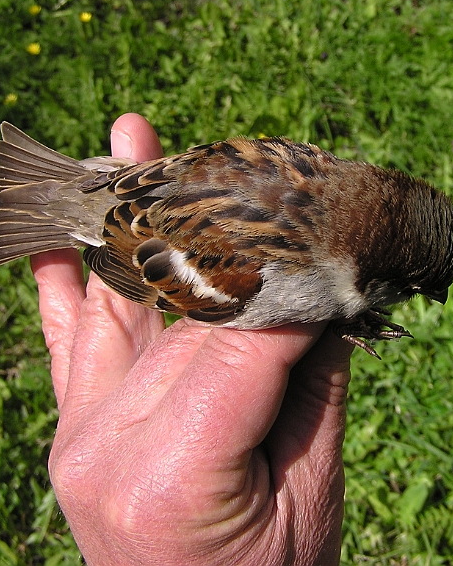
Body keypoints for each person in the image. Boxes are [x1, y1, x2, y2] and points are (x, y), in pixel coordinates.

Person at [30, 113, 355, 565]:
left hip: (149, 190)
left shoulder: (317, 167)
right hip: (136, 231)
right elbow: (154, 270)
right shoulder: (254, 266)